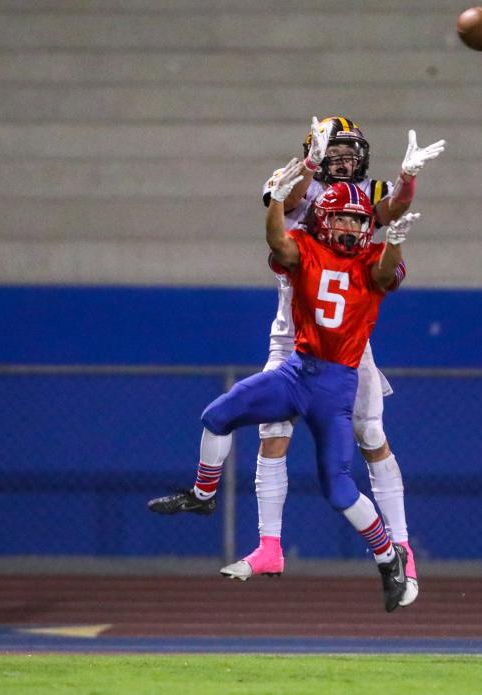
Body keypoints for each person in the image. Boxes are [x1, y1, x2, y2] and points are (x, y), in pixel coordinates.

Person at [150, 165, 421, 612]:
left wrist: (395, 241)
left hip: (335, 386)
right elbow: (277, 242)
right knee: (217, 415)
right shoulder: (307, 246)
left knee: (338, 489)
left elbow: (387, 273)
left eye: (357, 219)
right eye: (342, 217)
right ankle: (203, 495)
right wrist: (276, 199)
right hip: (296, 371)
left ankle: (388, 556)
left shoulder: (371, 258)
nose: (350, 225)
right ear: (322, 219)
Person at [226, 116, 444, 606]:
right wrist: (306, 166)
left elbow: (393, 208)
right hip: (292, 327)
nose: (344, 158)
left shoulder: (366, 194)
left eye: (350, 150)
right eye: (333, 149)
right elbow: (278, 207)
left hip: (344, 331)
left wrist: (408, 180)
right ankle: (269, 545)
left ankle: (402, 547)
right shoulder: (293, 181)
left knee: (370, 434)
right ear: (315, 150)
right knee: (272, 433)